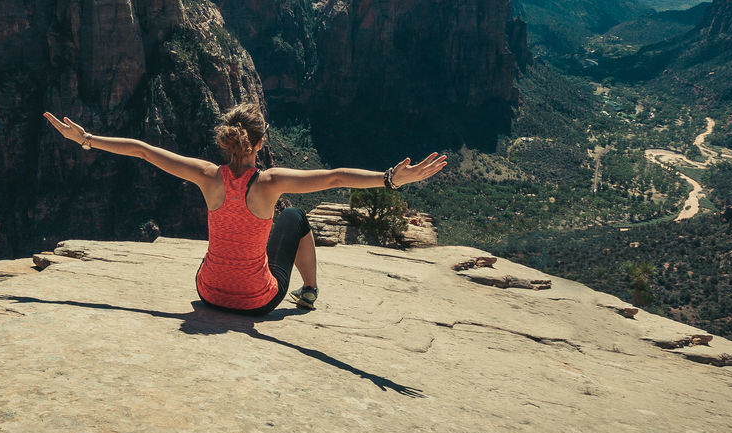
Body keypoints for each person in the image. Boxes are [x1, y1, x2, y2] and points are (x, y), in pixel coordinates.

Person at [43, 104, 446, 315]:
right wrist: (392, 178)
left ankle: (300, 287)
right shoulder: (270, 183)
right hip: (255, 301)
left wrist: (87, 139)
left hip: (208, 292)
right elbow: (336, 176)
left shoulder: (207, 176)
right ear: (259, 143)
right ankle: (309, 291)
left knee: (268, 227)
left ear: (227, 142)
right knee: (293, 217)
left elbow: (142, 150)